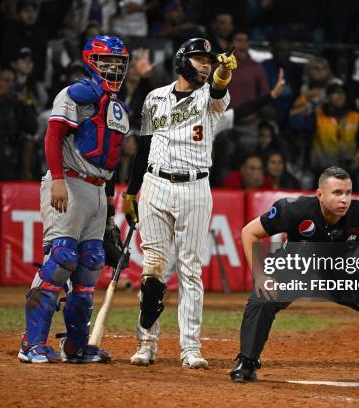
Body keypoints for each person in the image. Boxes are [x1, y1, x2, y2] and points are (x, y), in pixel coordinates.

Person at [229, 166, 359, 386]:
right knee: (262, 298)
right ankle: (247, 362)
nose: (344, 199)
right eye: (337, 193)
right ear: (320, 195)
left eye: (348, 193)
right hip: (295, 267)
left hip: (338, 272)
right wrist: (260, 275)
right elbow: (249, 232)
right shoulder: (294, 209)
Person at [122, 37, 237, 369]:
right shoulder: (154, 97)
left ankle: (190, 348)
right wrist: (131, 191)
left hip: (195, 188)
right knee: (153, 270)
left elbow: (218, 87)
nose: (206, 64)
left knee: (190, 269)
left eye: (209, 60)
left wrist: (223, 72)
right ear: (183, 60)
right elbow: (143, 147)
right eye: (200, 58)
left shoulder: (210, 99)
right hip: (155, 184)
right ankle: (146, 344)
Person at [18, 35, 131, 364]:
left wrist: (110, 214)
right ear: (91, 61)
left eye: (119, 63)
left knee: (91, 262)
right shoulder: (74, 94)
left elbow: (109, 161)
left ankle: (76, 345)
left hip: (98, 190)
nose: (114, 69)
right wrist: (56, 179)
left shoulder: (118, 109)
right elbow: (53, 136)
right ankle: (32, 343)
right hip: (69, 180)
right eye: (107, 62)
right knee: (62, 258)